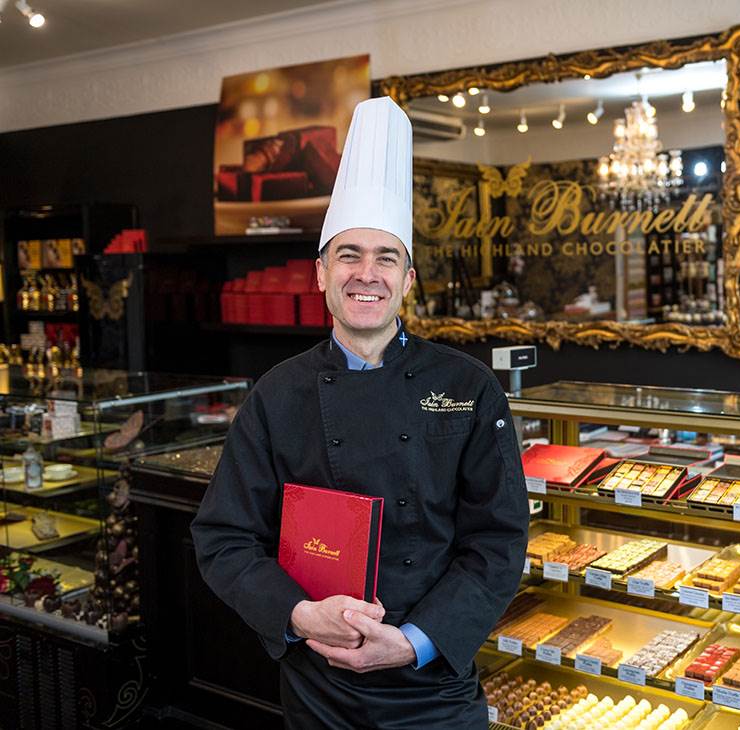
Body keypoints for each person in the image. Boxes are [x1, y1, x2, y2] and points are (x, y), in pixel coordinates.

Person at [191, 97, 529, 729]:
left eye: (385, 258)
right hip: (318, 688)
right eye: (348, 255)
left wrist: (413, 640)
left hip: (435, 686)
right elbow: (223, 537)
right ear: (320, 273)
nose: (365, 273)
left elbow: (498, 541)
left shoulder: (471, 387)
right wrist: (297, 613)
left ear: (407, 280)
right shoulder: (277, 394)